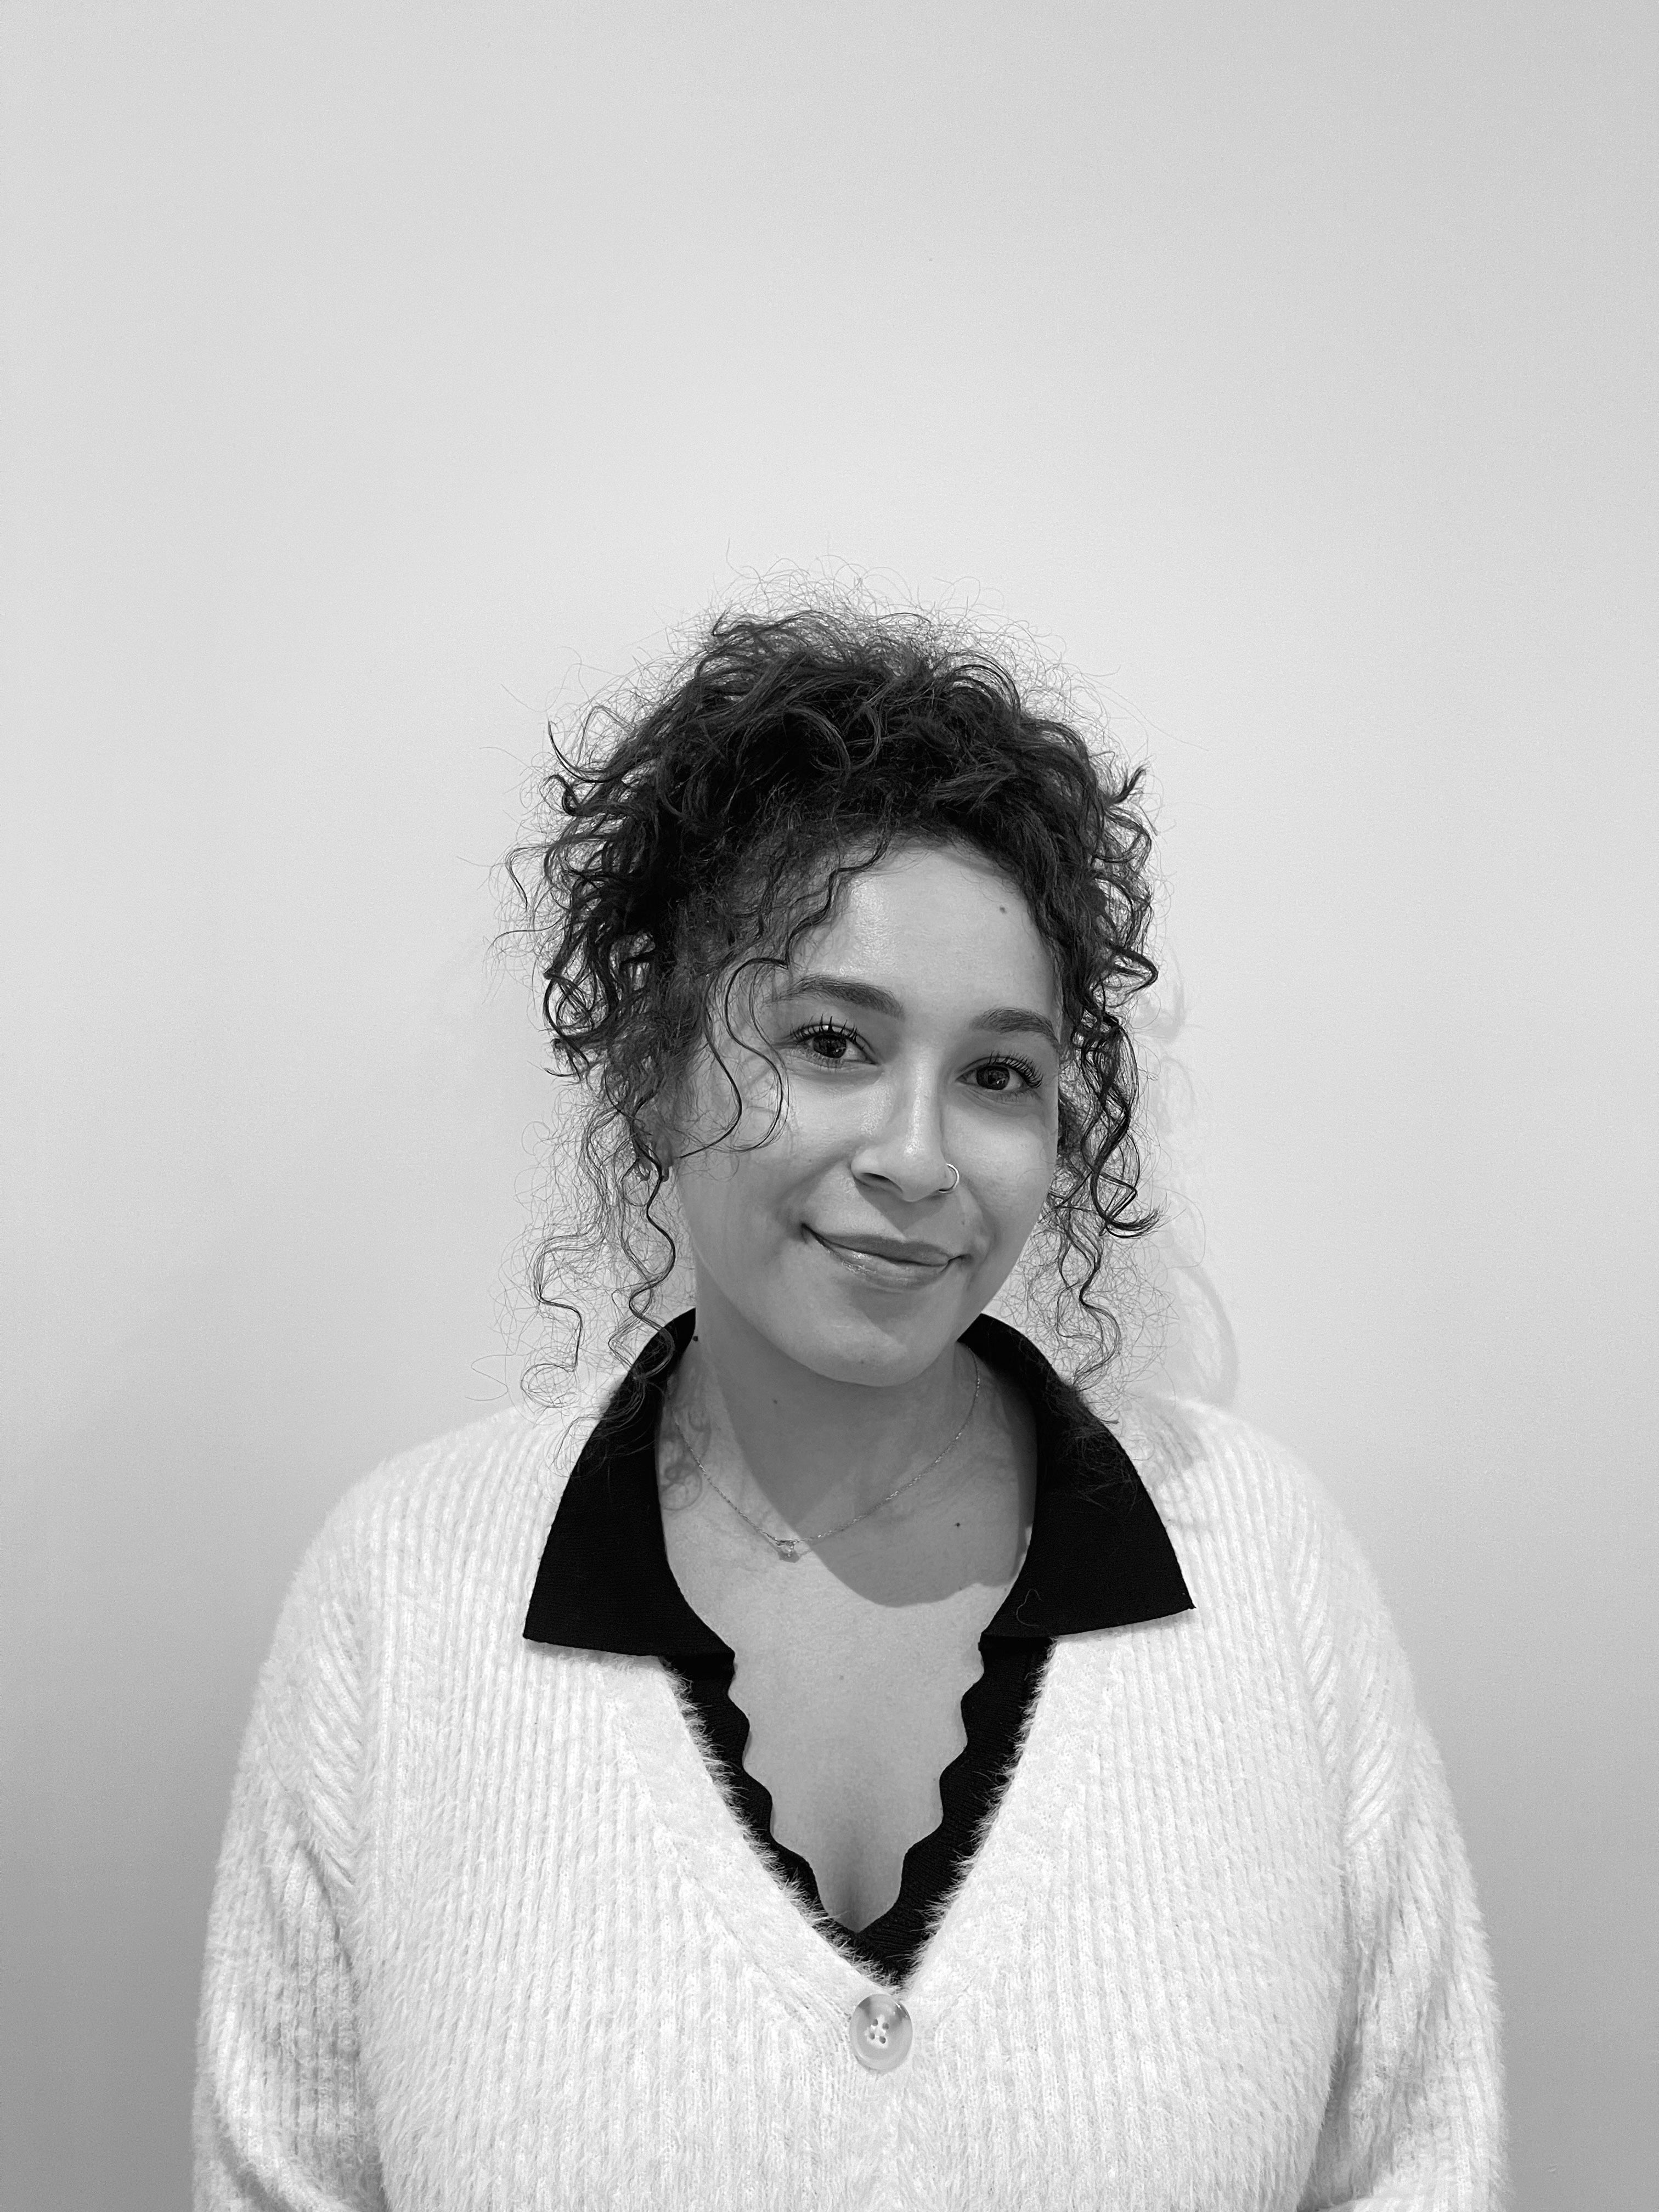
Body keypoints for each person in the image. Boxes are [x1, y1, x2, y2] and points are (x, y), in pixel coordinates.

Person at [193, 600, 1510, 2210]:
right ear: (656, 1064)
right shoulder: (404, 1593)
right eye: (830, 1041)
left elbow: (1420, 2160)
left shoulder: (1261, 1562)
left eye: (999, 1074)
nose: (917, 1155)